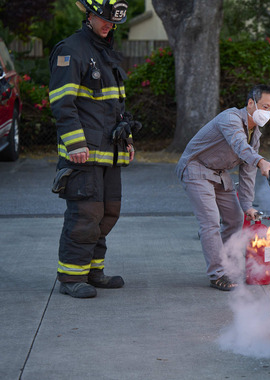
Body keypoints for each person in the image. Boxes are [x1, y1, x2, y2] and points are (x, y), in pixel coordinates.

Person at [49, 0, 135, 298]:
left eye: (112, 22)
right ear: (89, 15)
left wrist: (127, 140)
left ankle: (93, 271)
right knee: (85, 214)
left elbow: (115, 107)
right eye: (104, 19)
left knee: (108, 212)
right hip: (82, 154)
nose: (108, 25)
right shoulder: (71, 50)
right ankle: (71, 278)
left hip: (109, 153)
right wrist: (74, 144)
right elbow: (63, 104)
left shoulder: (105, 53)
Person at [175, 84, 270, 291]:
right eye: (265, 107)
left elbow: (248, 171)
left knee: (236, 218)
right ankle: (217, 274)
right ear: (251, 103)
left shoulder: (254, 133)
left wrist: (247, 204)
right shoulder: (230, 119)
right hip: (196, 168)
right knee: (210, 221)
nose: (268, 113)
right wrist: (261, 161)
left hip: (219, 174)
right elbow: (240, 146)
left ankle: (227, 264)